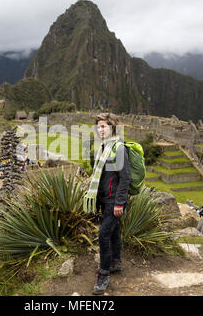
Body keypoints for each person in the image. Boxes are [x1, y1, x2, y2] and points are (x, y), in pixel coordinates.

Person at [83, 113, 130, 295]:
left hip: (114, 201)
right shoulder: (103, 147)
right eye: (99, 126)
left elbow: (124, 178)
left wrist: (119, 203)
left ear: (112, 128)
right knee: (113, 232)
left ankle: (103, 274)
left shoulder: (118, 148)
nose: (100, 129)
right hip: (104, 199)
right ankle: (116, 262)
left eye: (104, 126)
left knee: (103, 235)